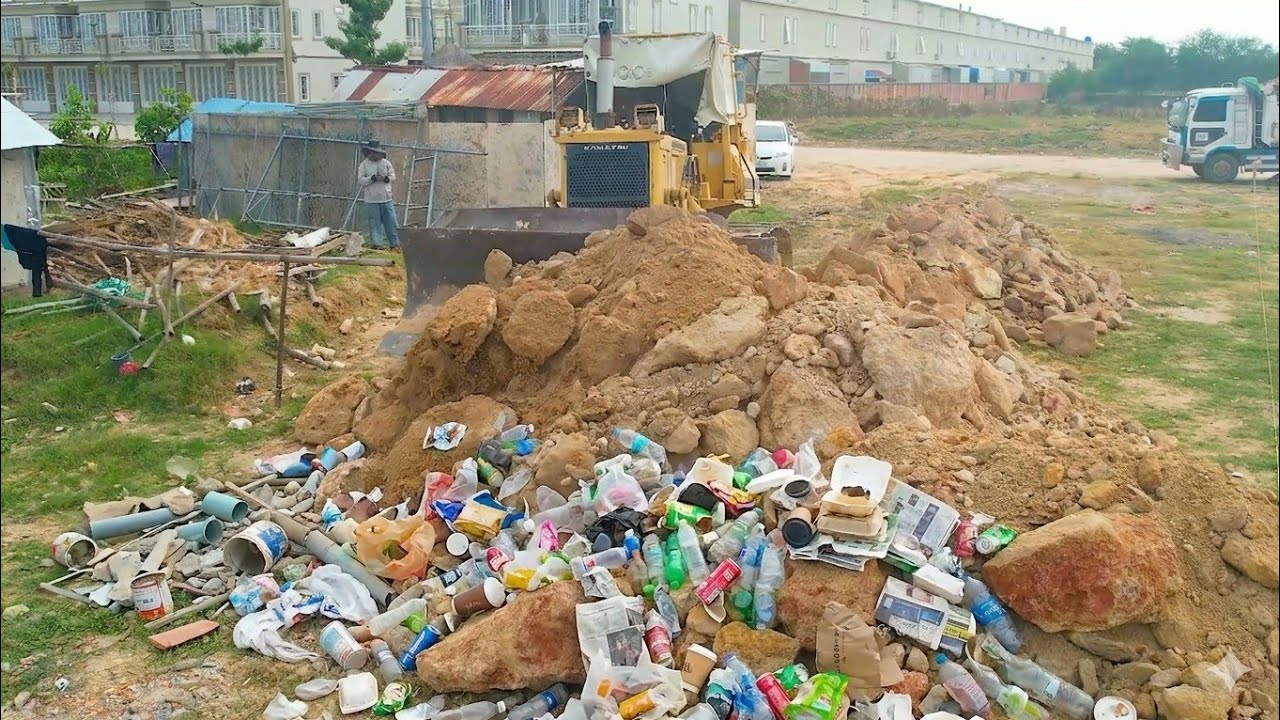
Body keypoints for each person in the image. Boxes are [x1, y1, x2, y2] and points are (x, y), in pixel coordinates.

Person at [358, 140, 400, 249]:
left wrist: (386, 178)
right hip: (371, 200)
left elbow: (393, 176)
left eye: (378, 152)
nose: (376, 155)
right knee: (374, 224)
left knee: (391, 222)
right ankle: (377, 244)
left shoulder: (386, 163)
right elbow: (361, 180)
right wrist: (372, 178)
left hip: (386, 199)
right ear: (369, 152)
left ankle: (395, 244)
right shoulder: (364, 165)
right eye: (373, 152)